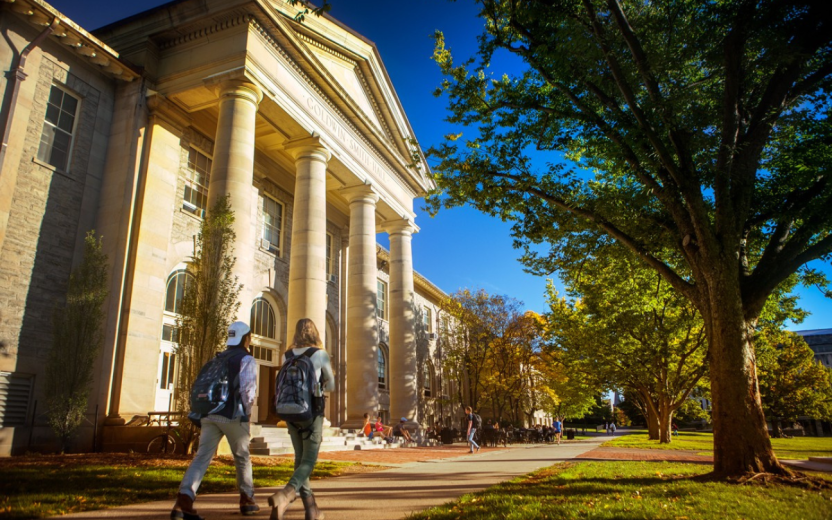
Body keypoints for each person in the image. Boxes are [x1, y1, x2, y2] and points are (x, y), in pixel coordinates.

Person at [171, 321, 260, 520]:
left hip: (209, 414)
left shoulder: (217, 358)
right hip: (232, 414)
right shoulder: (246, 359)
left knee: (202, 457)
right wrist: (247, 414)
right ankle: (247, 500)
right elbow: (248, 390)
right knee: (242, 457)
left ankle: (183, 501)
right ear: (246, 338)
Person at [267, 319, 335, 520]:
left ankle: (311, 510)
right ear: (315, 333)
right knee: (309, 460)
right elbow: (330, 385)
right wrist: (320, 385)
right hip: (311, 412)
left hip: (289, 412)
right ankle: (286, 495)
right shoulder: (319, 355)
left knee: (300, 459)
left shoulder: (286, 355)